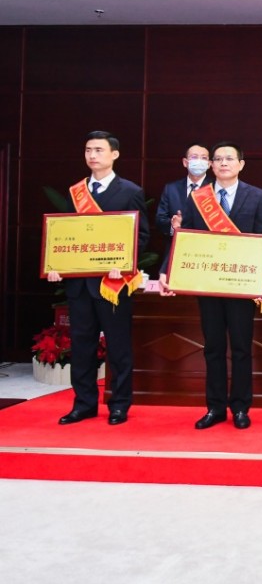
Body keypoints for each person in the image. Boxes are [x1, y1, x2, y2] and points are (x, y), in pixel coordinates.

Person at [164, 141, 262, 430]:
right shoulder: (198, 198)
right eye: (218, 159)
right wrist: (169, 272)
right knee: (212, 347)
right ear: (211, 165)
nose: (224, 163)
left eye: (229, 158)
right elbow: (187, 239)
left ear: (241, 164)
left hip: (241, 284)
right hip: (208, 284)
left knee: (241, 347)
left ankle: (240, 408)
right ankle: (215, 407)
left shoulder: (257, 196)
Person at [52, 131, 150, 426]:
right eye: (88, 150)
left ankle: (119, 404)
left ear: (114, 154)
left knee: (118, 347)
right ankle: (83, 404)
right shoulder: (76, 192)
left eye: (98, 150)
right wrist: (57, 264)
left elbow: (141, 236)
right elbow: (65, 234)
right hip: (80, 284)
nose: (92, 155)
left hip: (113, 284)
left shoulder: (130, 191)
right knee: (81, 346)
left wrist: (124, 263)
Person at [154, 142, 212, 272]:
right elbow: (160, 219)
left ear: (209, 164)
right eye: (194, 157)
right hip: (177, 252)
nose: (199, 161)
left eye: (203, 158)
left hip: (207, 254)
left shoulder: (215, 189)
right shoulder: (171, 188)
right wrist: (173, 226)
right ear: (185, 162)